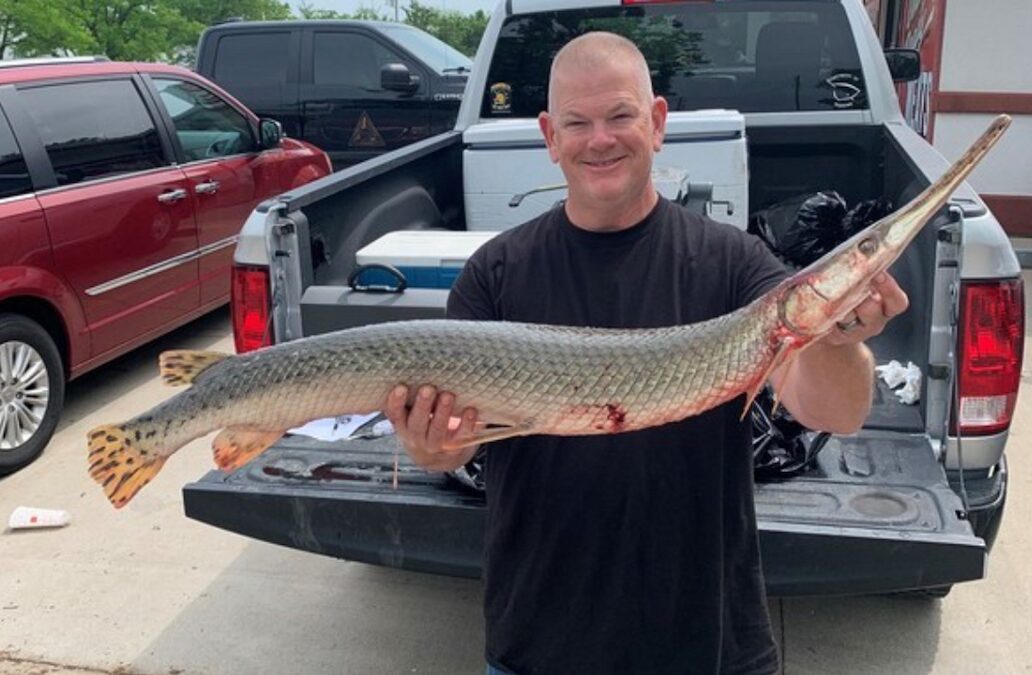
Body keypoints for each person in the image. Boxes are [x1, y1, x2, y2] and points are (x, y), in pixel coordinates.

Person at [384, 32, 908, 675]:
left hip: (711, 647)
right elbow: (455, 444)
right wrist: (431, 444)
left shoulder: (734, 263)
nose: (599, 139)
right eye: (578, 122)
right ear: (551, 136)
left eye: (621, 116)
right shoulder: (496, 272)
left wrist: (836, 337)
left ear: (657, 123)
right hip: (538, 647)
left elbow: (836, 411)